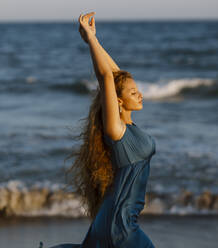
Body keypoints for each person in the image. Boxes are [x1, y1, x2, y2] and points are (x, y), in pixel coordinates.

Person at [45, 11, 156, 248]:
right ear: (118, 101)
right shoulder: (116, 131)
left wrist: (94, 40)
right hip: (119, 226)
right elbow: (106, 76)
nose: (140, 94)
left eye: (138, 89)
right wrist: (90, 39)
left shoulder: (129, 127)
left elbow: (115, 75)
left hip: (117, 220)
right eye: (133, 92)